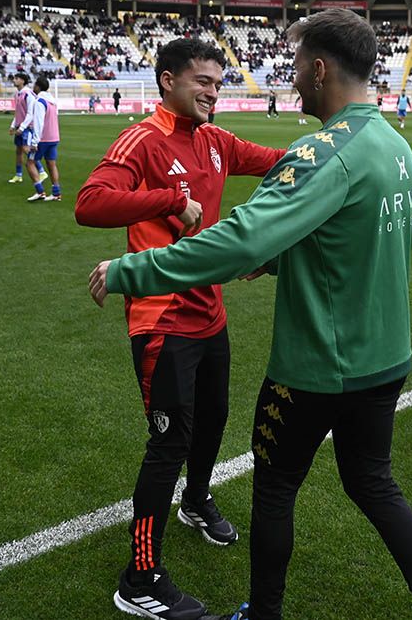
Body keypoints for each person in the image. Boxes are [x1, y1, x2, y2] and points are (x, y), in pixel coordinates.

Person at [89, 9, 412, 620]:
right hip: (386, 359)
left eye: (296, 64)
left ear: (319, 68)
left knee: (276, 489)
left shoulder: (322, 150)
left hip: (316, 366)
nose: (290, 75)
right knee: (374, 484)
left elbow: (241, 240)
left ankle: (261, 615)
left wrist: (134, 271)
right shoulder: (396, 145)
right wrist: (285, 261)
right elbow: (353, 242)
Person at [75, 37, 287, 620]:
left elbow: (274, 159)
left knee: (214, 419)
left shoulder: (217, 140)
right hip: (161, 317)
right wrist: (171, 198)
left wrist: (332, 148)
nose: (213, 93)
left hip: (209, 312)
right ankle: (140, 578)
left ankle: (196, 501)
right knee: (168, 441)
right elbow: (90, 203)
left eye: (219, 83)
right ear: (168, 81)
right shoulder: (142, 139)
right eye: (202, 82)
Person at [27, 75, 62, 202]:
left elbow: (39, 122)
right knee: (51, 164)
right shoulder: (52, 102)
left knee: (30, 163)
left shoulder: (40, 102)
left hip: (43, 139)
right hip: (54, 137)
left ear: (38, 86)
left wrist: (35, 141)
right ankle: (56, 193)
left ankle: (40, 191)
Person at [8, 73, 45, 184]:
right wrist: (13, 125)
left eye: (16, 78)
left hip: (27, 127)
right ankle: (18, 175)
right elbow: (18, 112)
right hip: (20, 126)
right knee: (18, 151)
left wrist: (23, 127)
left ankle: (42, 171)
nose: (14, 80)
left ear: (23, 81)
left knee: (26, 149)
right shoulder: (17, 94)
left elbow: (30, 113)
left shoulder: (28, 94)